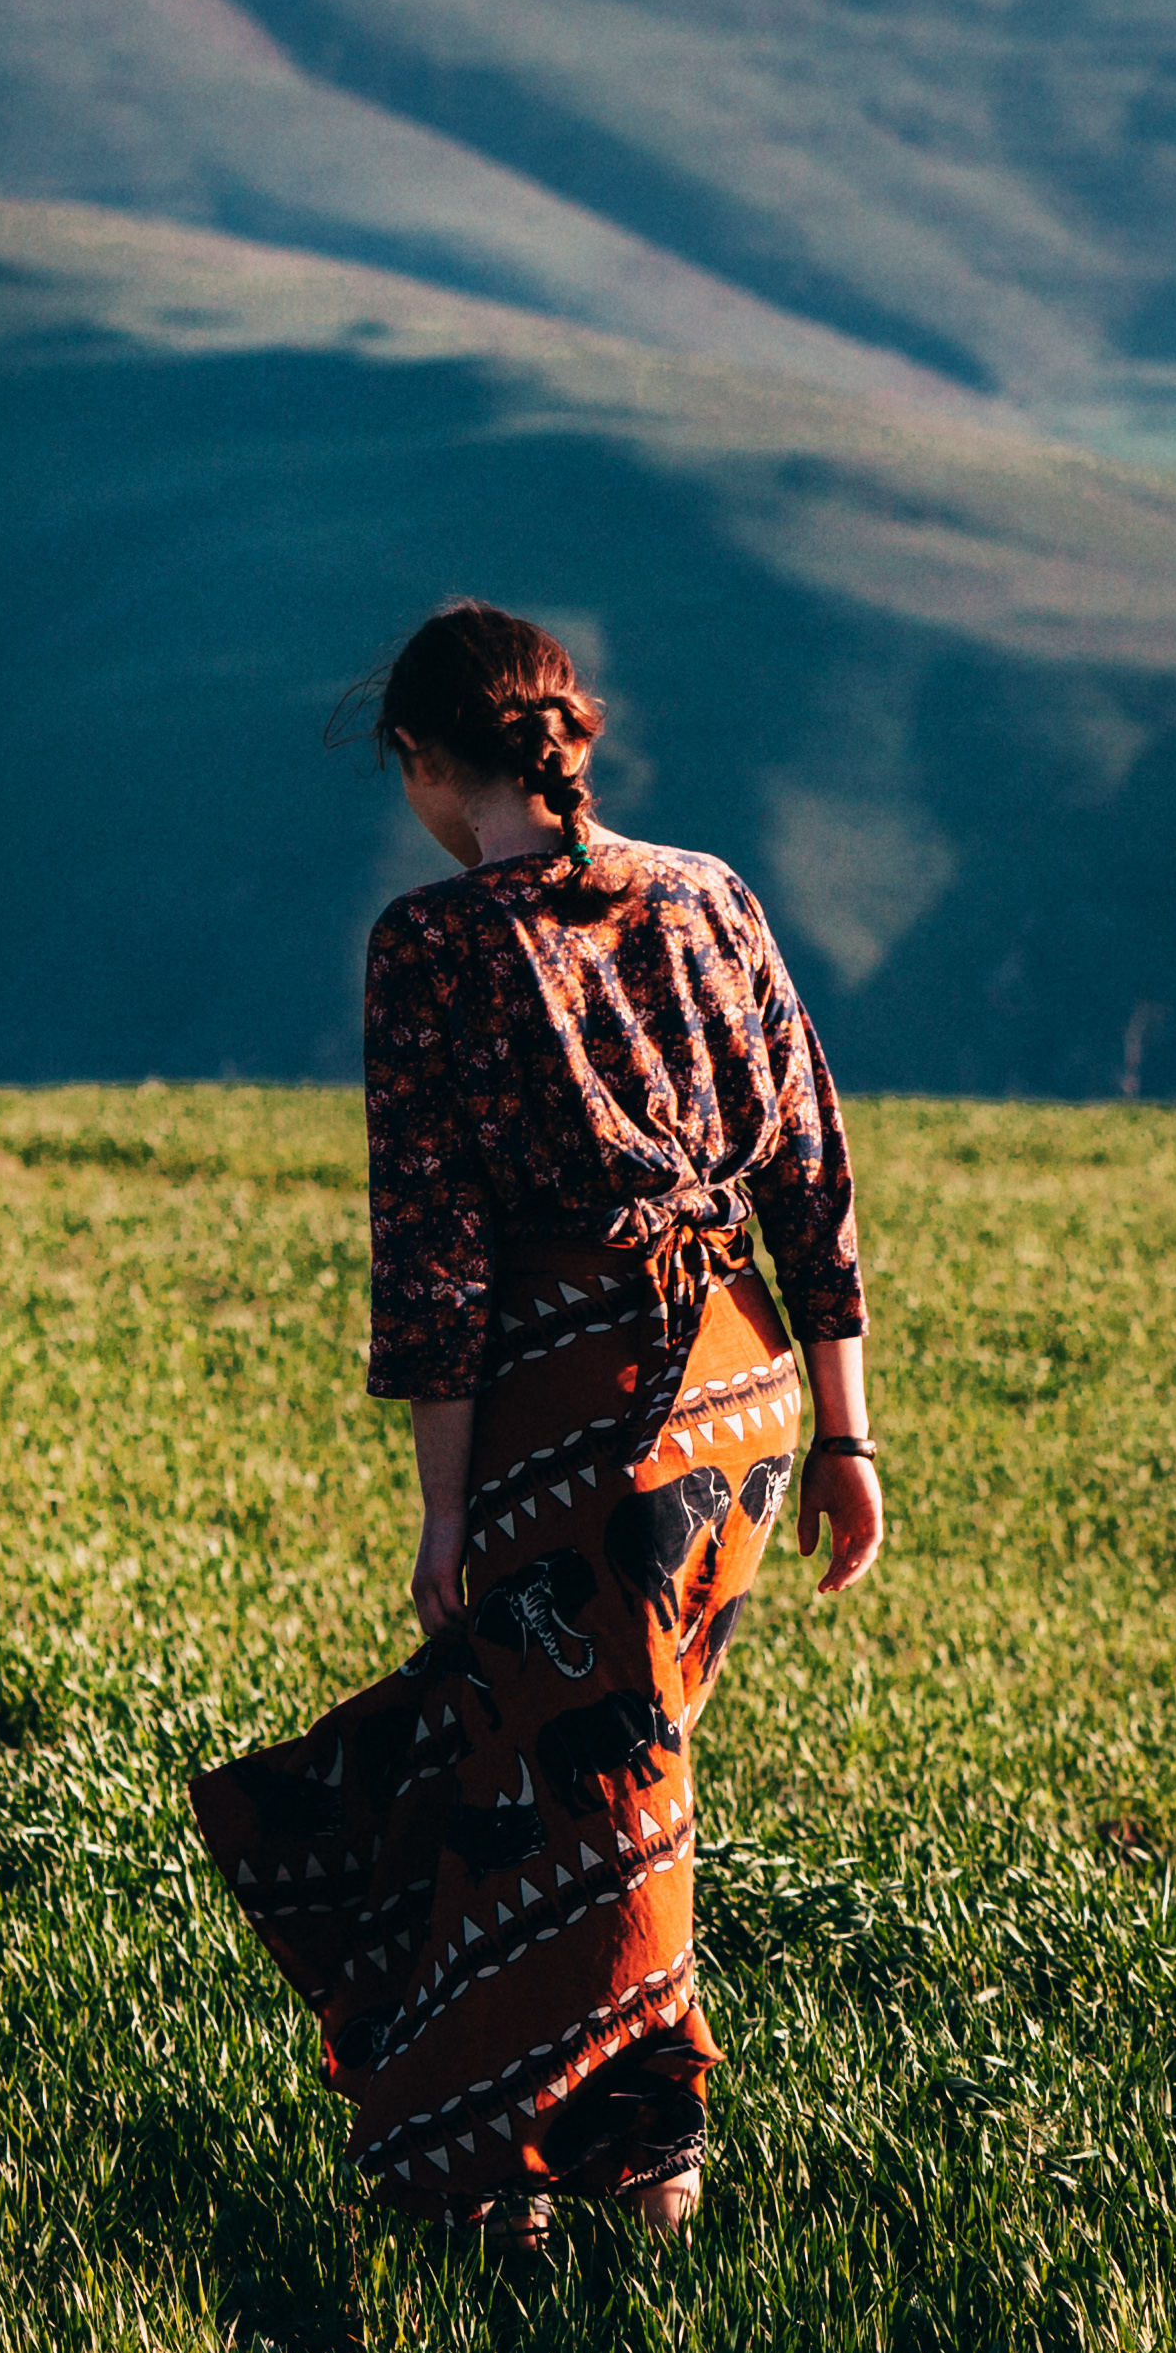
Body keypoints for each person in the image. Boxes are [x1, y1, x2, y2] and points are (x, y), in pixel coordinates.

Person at [190, 600, 888, 2248]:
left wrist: (442, 1510)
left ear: (428, 764)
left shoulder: (431, 947)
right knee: (548, 1762)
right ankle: (558, 2154)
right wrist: (847, 1439)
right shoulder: (713, 896)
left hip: (583, 1422)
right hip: (743, 1406)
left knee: (592, 1786)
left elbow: (435, 1258)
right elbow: (815, 1175)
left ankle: (597, 2169)